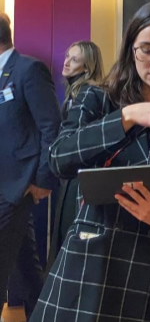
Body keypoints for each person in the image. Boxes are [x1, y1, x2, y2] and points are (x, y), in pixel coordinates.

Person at [31, 0, 150, 322]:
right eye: (146, 50)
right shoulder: (98, 101)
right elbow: (59, 158)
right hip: (92, 265)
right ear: (131, 50)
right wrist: (126, 117)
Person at [0, 13, 61, 320]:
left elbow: (51, 127)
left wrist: (43, 179)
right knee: (25, 264)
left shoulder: (28, 69)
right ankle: (45, 315)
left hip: (16, 186)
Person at [47, 41, 105, 267]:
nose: (66, 63)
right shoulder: (74, 94)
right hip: (72, 177)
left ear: (87, 67)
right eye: (67, 57)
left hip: (80, 180)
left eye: (74, 60)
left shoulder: (89, 93)